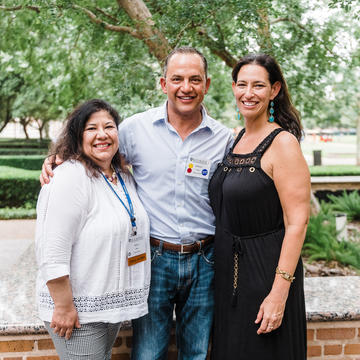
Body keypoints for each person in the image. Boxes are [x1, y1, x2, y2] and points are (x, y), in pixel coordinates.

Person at [40, 47, 234, 359]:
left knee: (197, 352)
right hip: (152, 258)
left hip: (205, 259)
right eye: (177, 79)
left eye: (195, 79)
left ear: (207, 85)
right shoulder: (134, 129)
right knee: (147, 352)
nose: (186, 87)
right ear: (163, 83)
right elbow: (99, 150)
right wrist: (58, 158)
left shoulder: (223, 139)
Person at [208, 54, 310, 359]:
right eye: (242, 84)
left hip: (266, 275)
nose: (248, 93)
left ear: (274, 90)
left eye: (258, 85)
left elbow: (297, 223)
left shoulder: (282, 143)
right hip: (229, 276)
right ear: (233, 88)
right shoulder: (236, 138)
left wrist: (279, 294)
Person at [36, 99, 150, 360]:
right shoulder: (69, 177)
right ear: (78, 135)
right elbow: (51, 249)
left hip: (106, 306)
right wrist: (63, 306)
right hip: (78, 311)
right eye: (91, 128)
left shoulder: (122, 177)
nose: (102, 134)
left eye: (109, 126)